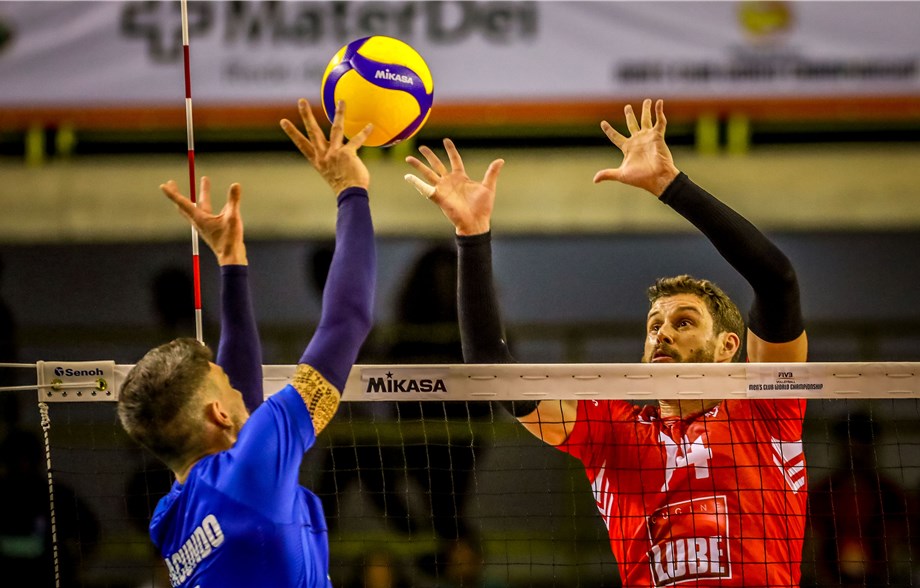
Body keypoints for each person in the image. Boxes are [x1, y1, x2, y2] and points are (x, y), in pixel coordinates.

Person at [404, 99, 809, 586]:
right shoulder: (613, 429)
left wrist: (669, 185)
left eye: (683, 322)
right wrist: (472, 235)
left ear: (728, 345)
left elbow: (777, 280)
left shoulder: (766, 408)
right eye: (654, 325)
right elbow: (492, 368)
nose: (662, 334)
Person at [117, 98, 376, 588]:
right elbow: (348, 321)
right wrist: (352, 191)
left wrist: (232, 261)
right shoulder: (249, 471)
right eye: (225, 385)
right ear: (218, 414)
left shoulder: (174, 516)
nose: (240, 387)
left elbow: (245, 404)